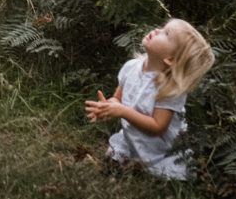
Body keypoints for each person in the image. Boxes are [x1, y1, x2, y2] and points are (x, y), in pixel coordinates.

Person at [85, 18, 215, 180]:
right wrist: (107, 107)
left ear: (170, 59)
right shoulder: (131, 67)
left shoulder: (170, 88)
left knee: (161, 171)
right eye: (162, 27)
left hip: (159, 149)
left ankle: (146, 168)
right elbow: (118, 99)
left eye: (166, 34)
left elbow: (158, 127)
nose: (157, 30)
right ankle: (125, 163)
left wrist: (122, 111)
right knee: (114, 160)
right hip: (132, 137)